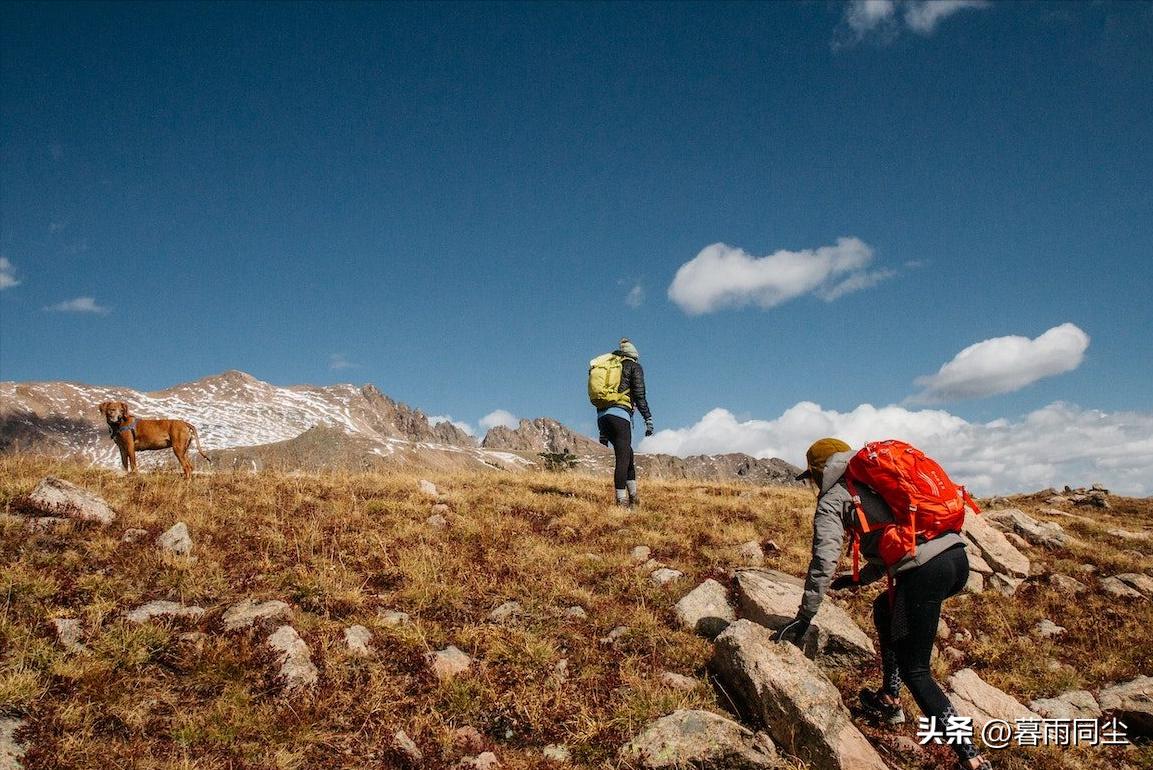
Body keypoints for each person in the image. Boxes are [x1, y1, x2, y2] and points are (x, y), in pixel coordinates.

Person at [775, 438, 992, 770]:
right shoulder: (876, 478)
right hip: (956, 560)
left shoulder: (834, 498)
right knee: (884, 610)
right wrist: (860, 577)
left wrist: (805, 617)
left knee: (916, 670)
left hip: (926, 571)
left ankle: (971, 757)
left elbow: (823, 559)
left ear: (819, 472)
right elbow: (898, 537)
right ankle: (890, 700)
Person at [594, 338, 653, 507]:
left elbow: (602, 396)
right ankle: (621, 502)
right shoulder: (633, 366)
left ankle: (634, 497)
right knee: (622, 459)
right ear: (634, 355)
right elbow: (640, 395)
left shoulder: (610, 367)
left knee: (628, 454)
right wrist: (648, 418)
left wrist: (603, 432)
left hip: (603, 417)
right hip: (619, 416)